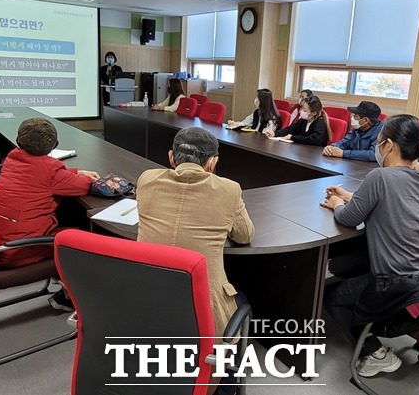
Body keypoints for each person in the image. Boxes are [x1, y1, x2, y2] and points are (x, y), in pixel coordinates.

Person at [321, 114, 419, 378]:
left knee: (332, 297)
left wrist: (338, 205)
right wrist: (350, 196)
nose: (377, 146)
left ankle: (374, 353)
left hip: (399, 283)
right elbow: (392, 201)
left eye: (379, 141)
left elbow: (349, 218)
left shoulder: (379, 176)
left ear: (388, 145)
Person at [137, 127, 254, 395]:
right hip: (203, 309)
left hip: (146, 300)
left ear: (171, 157)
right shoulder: (229, 189)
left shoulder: (146, 180)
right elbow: (245, 235)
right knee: (242, 300)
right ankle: (225, 386)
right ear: (213, 163)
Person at [0, 118, 100, 274]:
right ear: (54, 145)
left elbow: (42, 176)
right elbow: (84, 186)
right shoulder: (49, 170)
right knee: (88, 235)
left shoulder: (12, 159)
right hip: (22, 249)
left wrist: (74, 172)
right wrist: (82, 176)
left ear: (19, 142)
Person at [265, 95, 332, 146]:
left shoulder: (320, 123)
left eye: (304, 110)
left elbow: (314, 140)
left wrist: (292, 137)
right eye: (301, 109)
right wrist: (275, 133)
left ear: (314, 113)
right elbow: (289, 130)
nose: (300, 112)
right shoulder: (303, 120)